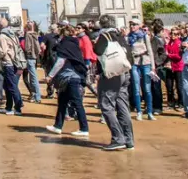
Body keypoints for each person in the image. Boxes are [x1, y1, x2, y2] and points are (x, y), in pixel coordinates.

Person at [93, 16, 134, 151]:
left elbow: (98, 51)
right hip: (124, 72)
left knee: (106, 105)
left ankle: (118, 138)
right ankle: (129, 139)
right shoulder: (120, 35)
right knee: (122, 106)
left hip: (112, 74)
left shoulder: (105, 36)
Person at [44, 25, 89, 138]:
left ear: (63, 34)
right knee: (62, 102)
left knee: (77, 103)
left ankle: (84, 128)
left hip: (70, 78)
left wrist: (50, 75)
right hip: (72, 77)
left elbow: (60, 61)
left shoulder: (65, 45)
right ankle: (57, 126)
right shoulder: (75, 43)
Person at [0, 18, 25, 116]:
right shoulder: (13, 34)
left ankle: (18, 108)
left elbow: (2, 51)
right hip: (14, 62)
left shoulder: (2, 36)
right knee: (7, 86)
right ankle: (9, 107)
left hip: (8, 63)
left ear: (0, 26)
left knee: (11, 86)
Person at [126, 21, 155, 120]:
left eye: (134, 24)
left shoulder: (144, 36)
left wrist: (153, 66)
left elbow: (150, 51)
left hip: (145, 62)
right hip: (134, 63)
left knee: (147, 88)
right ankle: (139, 112)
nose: (132, 26)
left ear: (139, 26)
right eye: (131, 25)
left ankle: (150, 112)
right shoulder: (129, 37)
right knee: (136, 88)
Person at [22, 21, 42, 104]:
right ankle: (34, 95)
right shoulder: (35, 34)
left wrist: (27, 53)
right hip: (34, 57)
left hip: (29, 57)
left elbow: (27, 47)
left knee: (33, 78)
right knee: (32, 77)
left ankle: (37, 96)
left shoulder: (28, 35)